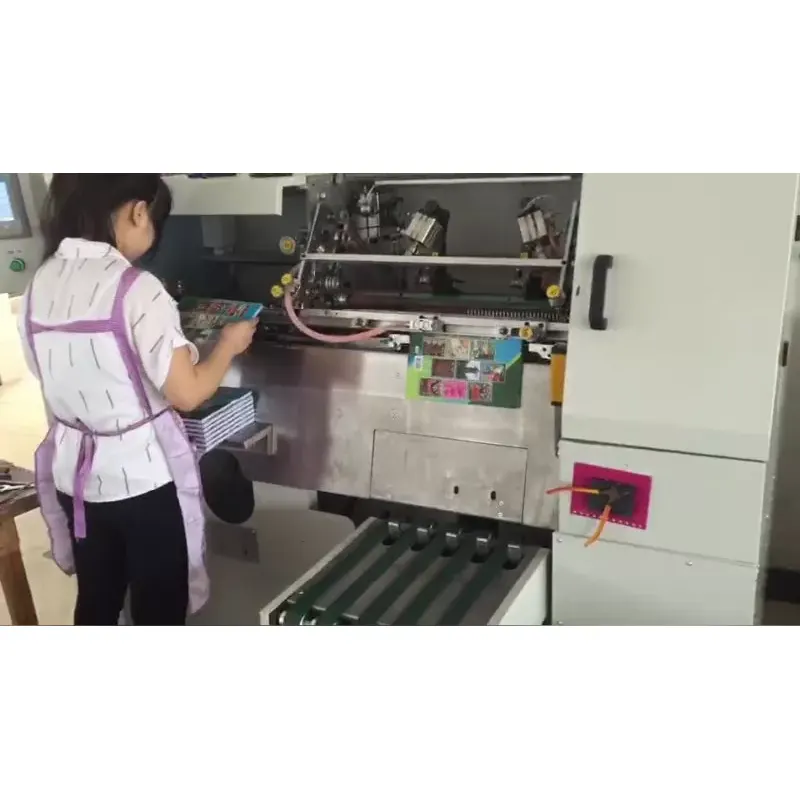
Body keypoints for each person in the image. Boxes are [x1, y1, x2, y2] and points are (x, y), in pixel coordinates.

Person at [17, 174, 256, 625]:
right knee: (158, 608)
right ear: (138, 211)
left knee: (97, 597)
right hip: (142, 483)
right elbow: (187, 393)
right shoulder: (136, 288)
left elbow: (46, 371)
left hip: (75, 480)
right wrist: (228, 344)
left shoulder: (39, 284)